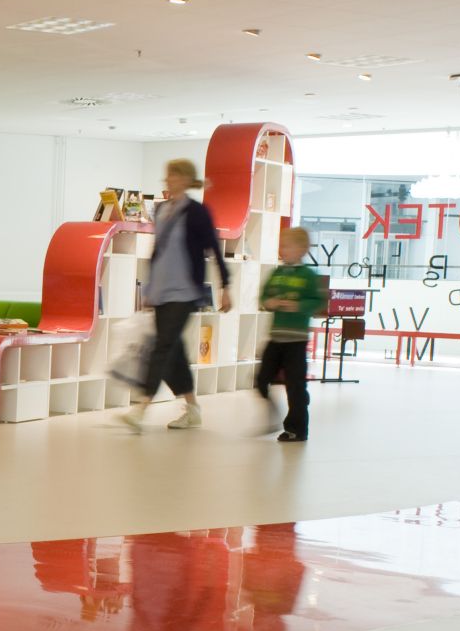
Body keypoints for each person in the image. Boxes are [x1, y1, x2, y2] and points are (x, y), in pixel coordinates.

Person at [122, 158, 230, 432]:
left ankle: (141, 407)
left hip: (184, 292)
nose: (167, 179)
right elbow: (159, 253)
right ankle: (193, 408)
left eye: (172, 175)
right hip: (161, 292)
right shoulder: (161, 210)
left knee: (162, 346)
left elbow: (214, 250)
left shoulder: (197, 212)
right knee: (173, 353)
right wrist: (149, 288)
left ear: (184, 179)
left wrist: (224, 287)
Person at [255, 226, 328, 442]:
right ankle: (273, 411)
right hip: (275, 338)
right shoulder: (277, 273)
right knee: (261, 380)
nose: (283, 250)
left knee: (295, 387)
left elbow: (318, 302)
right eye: (282, 246)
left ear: (302, 249)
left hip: (296, 340)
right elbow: (264, 297)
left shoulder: (308, 276)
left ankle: (296, 428)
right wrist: (269, 302)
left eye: (287, 246)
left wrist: (298, 306)